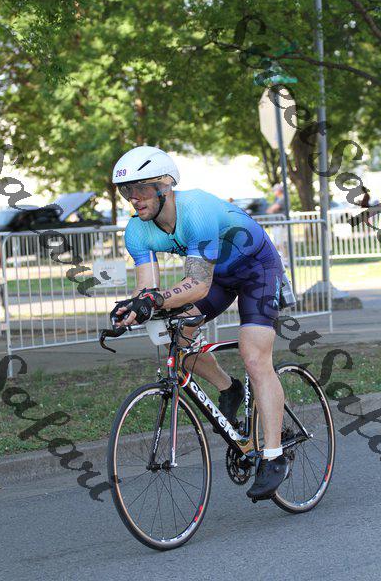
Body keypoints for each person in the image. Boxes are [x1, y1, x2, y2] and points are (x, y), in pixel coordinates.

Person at [111, 146, 288, 500]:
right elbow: (147, 289)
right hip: (216, 276)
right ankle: (229, 388)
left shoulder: (197, 209)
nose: (133, 197)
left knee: (254, 356)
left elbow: (198, 285)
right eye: (126, 190)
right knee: (174, 338)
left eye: (141, 188)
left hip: (257, 270)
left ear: (165, 186)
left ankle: (274, 455)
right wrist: (132, 309)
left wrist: (155, 300)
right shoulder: (136, 230)